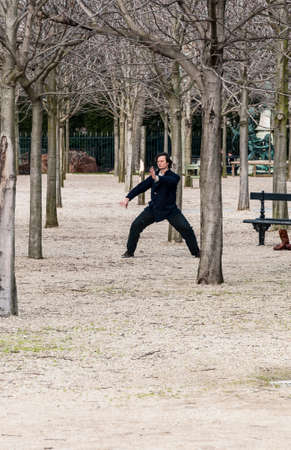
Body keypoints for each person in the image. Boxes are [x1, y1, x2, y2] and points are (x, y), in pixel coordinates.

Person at [120, 152, 200, 258]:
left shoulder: (174, 176)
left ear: (167, 163)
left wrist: (157, 178)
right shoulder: (154, 176)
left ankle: (196, 252)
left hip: (170, 210)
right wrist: (128, 198)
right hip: (154, 209)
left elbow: (170, 181)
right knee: (135, 225)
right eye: (158, 161)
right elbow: (141, 187)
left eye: (162, 161)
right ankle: (129, 252)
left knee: (186, 229)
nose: (159, 163)